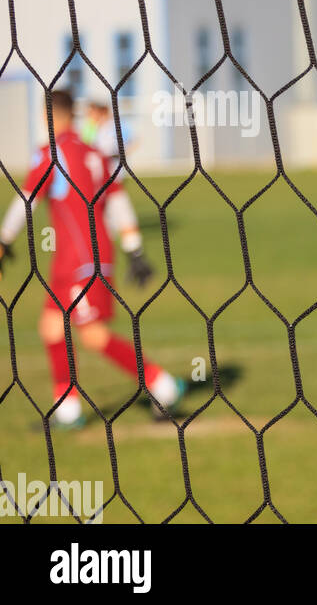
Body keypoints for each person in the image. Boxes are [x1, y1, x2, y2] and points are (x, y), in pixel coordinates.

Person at [0, 90, 183, 430]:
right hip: (82, 259)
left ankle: (162, 385)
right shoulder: (95, 154)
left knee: (93, 335)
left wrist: (3, 239)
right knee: (52, 327)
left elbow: (27, 199)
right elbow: (117, 201)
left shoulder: (51, 154)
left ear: (46, 116)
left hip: (81, 262)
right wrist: (134, 249)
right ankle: (67, 408)